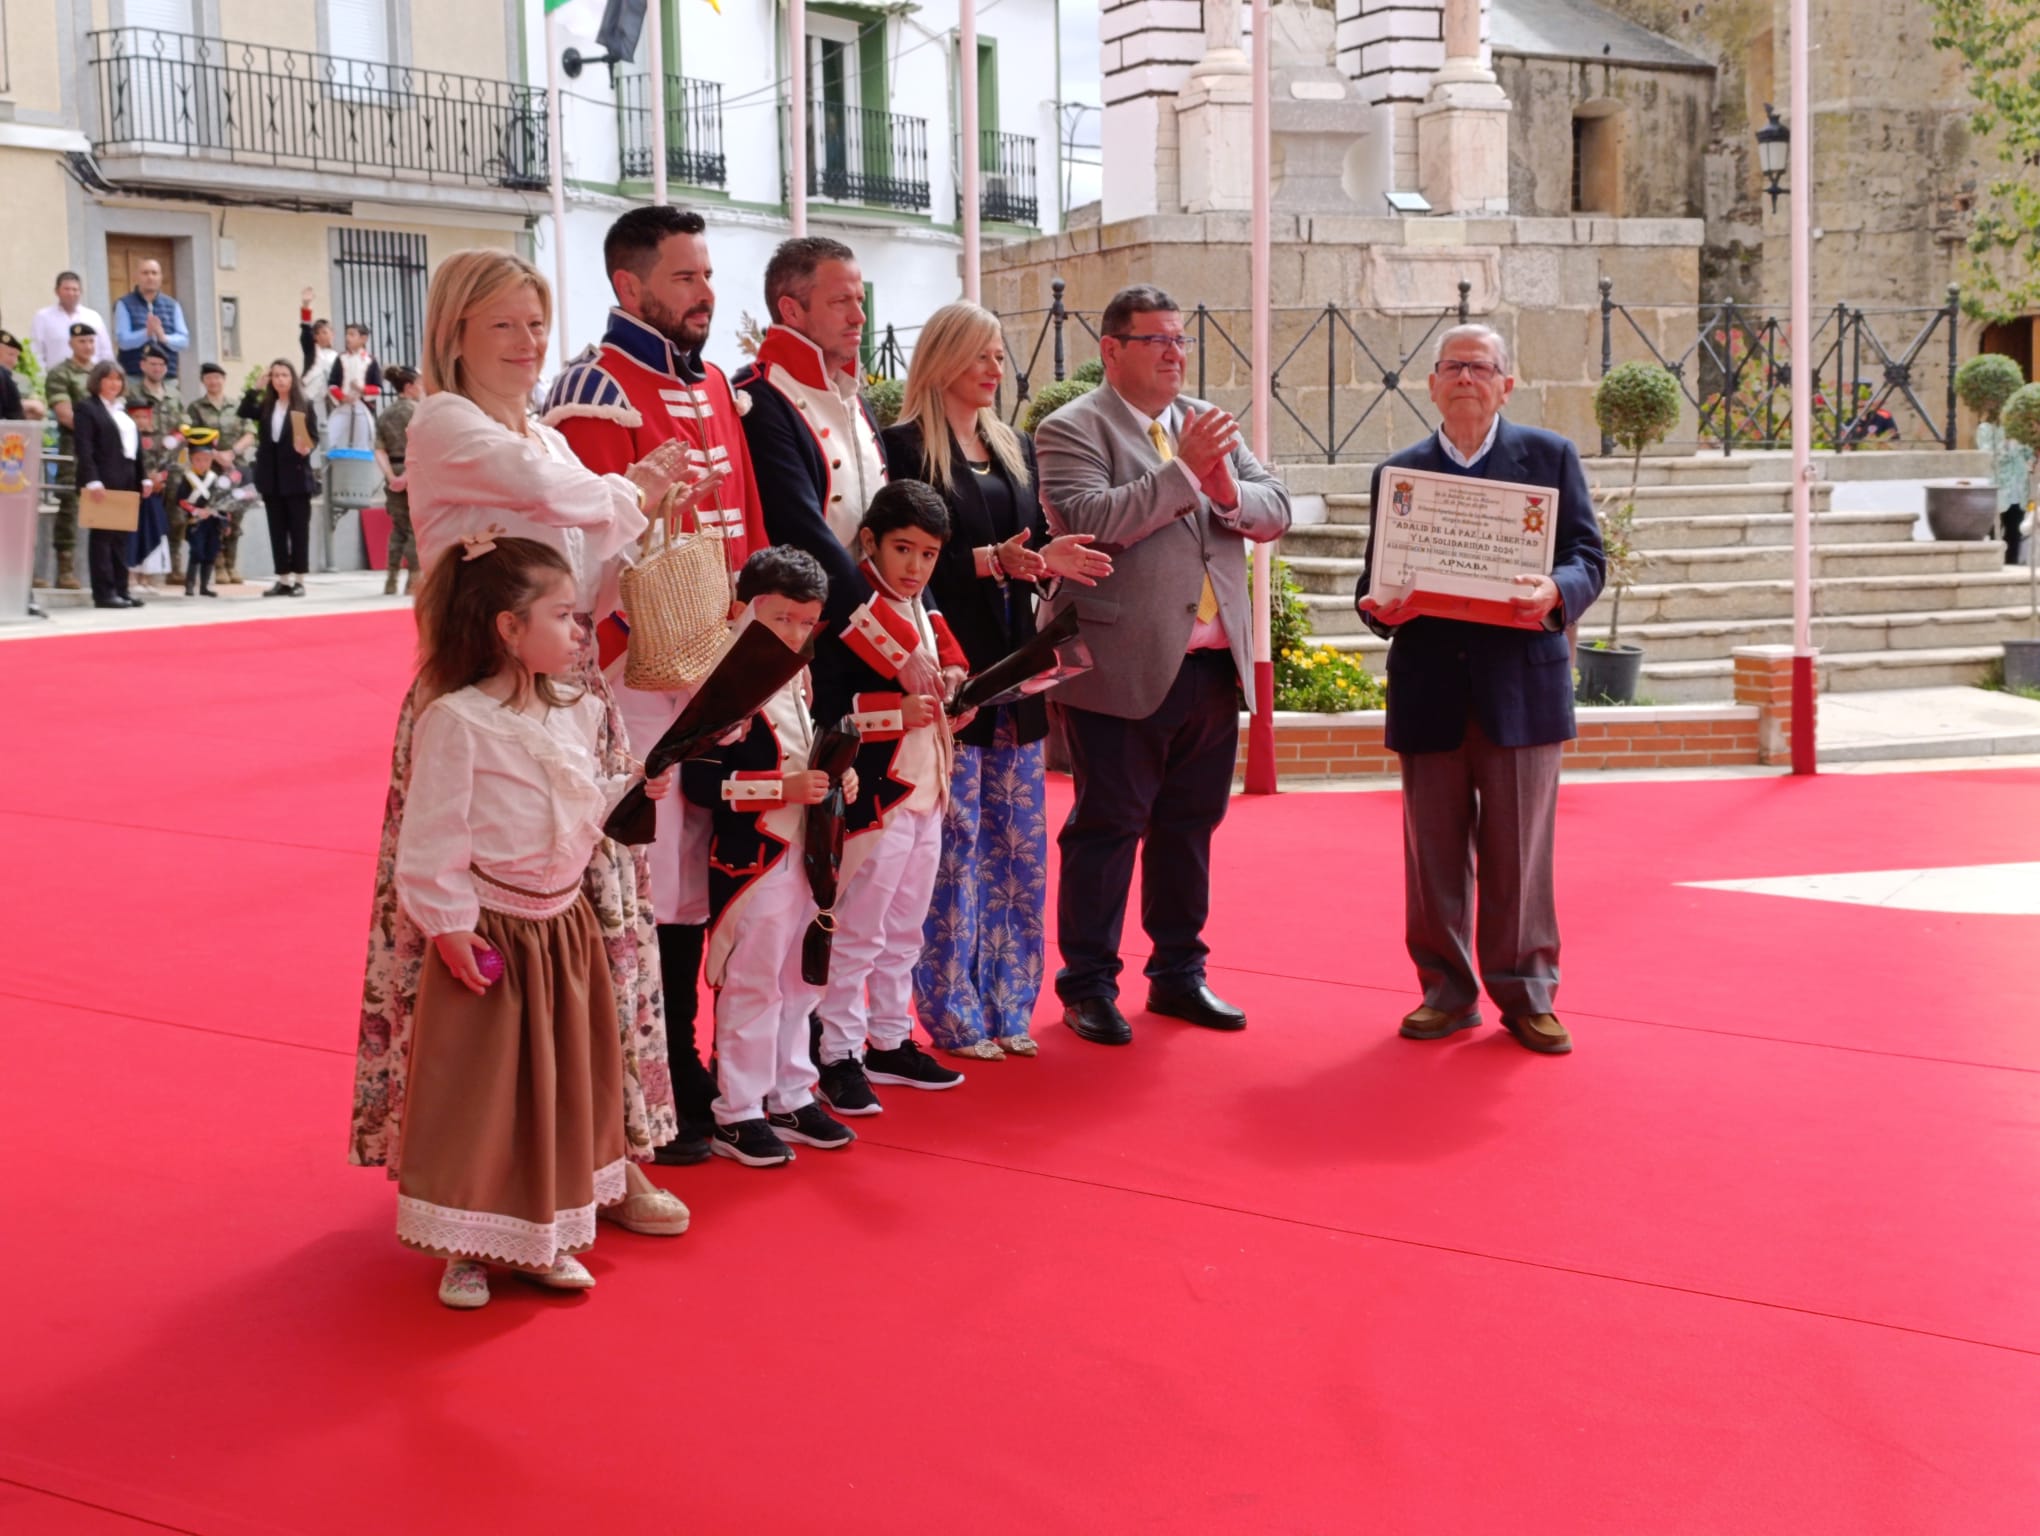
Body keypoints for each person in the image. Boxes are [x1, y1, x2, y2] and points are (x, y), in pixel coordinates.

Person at [347, 247, 708, 1242]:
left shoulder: (546, 436)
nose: (527, 342)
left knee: (606, 942)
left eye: (537, 323)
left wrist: (627, 503)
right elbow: (560, 504)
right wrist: (624, 487)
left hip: (569, 699)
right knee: (480, 940)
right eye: (505, 323)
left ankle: (614, 1154)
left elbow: (585, 559)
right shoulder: (446, 423)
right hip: (475, 705)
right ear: (456, 330)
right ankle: (477, 1173)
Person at [393, 534, 680, 1309]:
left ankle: (548, 1234)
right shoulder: (457, 721)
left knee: (561, 1089)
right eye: (563, 616)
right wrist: (452, 929)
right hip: (495, 933)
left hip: (564, 930)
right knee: (482, 1095)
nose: (581, 633)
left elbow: (577, 813)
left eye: (580, 616)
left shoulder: (579, 712)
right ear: (508, 628)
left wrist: (628, 793)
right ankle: (466, 1247)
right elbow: (429, 840)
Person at [544, 206, 772, 1163]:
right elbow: (594, 560)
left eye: (707, 276)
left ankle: (682, 1059)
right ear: (629, 287)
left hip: (713, 664)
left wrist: (755, 648)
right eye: (685, 278)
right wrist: (671, 652)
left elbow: (748, 530)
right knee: (643, 874)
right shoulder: (596, 392)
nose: (706, 294)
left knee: (687, 876)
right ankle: (653, 1068)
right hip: (636, 677)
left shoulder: (714, 381)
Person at [1034, 284, 1291, 1046]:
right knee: (1107, 827)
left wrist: (1227, 488)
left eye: (1181, 339)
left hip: (1211, 666)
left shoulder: (1202, 423)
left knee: (1190, 827)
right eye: (1158, 341)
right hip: (1121, 661)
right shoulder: (1070, 427)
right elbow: (1094, 520)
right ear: (1112, 350)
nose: (1177, 353)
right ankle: (1087, 986)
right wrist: (1189, 477)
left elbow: (1273, 509)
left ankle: (1179, 975)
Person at [1354, 324, 1606, 1057]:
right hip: (1430, 688)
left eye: (1481, 366)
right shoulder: (1399, 476)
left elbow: (1588, 555)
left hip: (1520, 688)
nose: (1466, 377)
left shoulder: (1549, 458)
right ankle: (1446, 992)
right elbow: (1373, 582)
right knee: (1432, 857)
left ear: (1507, 383)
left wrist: (1555, 590)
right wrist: (1376, 604)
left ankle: (1526, 994)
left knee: (1521, 854)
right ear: (1431, 384)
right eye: (1452, 366)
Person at [881, 301, 1112, 1060]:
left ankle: (1011, 1003)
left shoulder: (1011, 445)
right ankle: (951, 1012)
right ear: (943, 357)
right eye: (981, 354)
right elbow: (905, 562)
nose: (995, 368)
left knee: (1017, 852)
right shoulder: (906, 448)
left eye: (999, 354)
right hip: (953, 671)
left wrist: (1049, 557)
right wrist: (991, 561)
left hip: (1018, 672)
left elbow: (1024, 542)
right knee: (955, 852)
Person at [681, 546, 861, 1167]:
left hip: (807, 853)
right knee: (754, 983)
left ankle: (789, 1088)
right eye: (780, 618)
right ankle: (737, 1107)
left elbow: (803, 748)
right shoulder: (722, 676)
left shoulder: (798, 674)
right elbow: (699, 781)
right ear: (744, 609)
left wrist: (836, 777)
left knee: (801, 979)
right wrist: (779, 790)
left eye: (804, 623)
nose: (792, 633)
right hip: (753, 858)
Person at [805, 481, 977, 1115]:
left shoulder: (919, 605)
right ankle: (838, 1053)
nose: (916, 567)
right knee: (858, 930)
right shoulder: (851, 609)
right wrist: (895, 713)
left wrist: (957, 689)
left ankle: (888, 1036)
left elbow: (946, 652)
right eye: (903, 550)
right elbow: (824, 707)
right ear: (869, 541)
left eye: (928, 554)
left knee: (904, 929)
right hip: (877, 796)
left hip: (927, 789)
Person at [734, 237, 902, 638]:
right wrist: (896, 646)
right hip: (811, 632)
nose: (859, 316)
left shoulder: (853, 394)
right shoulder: (757, 396)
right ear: (791, 310)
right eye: (840, 301)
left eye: (860, 300)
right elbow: (802, 531)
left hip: (880, 614)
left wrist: (929, 634)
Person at [70, 360, 151, 610]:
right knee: (103, 537)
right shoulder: (87, 408)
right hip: (102, 480)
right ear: (98, 381)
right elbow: (85, 447)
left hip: (126, 478)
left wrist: (143, 477)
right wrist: (92, 478)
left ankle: (121, 589)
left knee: (121, 538)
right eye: (109, 379)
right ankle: (104, 593)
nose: (114, 384)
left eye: (118, 379)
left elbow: (135, 450)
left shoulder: (122, 411)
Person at [40, 322, 102, 591]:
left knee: (106, 507)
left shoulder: (102, 374)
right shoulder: (60, 373)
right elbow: (65, 414)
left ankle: (106, 570)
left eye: (90, 341)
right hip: (74, 448)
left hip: (103, 451)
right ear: (71, 344)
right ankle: (65, 570)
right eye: (82, 342)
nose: (87, 346)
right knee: (70, 506)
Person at [251, 359, 316, 597]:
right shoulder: (268, 405)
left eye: (284, 375)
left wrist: (307, 448)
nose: (279, 379)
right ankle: (283, 579)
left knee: (298, 530)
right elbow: (244, 411)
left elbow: (314, 436)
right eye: (275, 375)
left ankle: (299, 579)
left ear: (293, 379)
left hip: (297, 478)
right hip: (271, 478)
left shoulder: (304, 405)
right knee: (277, 530)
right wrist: (256, 388)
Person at [187, 362, 256, 585]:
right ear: (203, 381)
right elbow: (193, 438)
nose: (213, 382)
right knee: (215, 518)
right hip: (210, 471)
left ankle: (232, 564)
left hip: (237, 469)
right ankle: (217, 566)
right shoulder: (196, 408)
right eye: (209, 378)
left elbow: (250, 434)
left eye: (217, 377)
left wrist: (233, 453)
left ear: (223, 379)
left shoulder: (236, 405)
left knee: (235, 519)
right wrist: (216, 456)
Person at [131, 343, 190, 583]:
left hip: (172, 466)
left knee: (176, 517)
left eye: (161, 365)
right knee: (142, 516)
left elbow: (184, 425)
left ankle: (174, 566)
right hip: (143, 464)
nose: (157, 368)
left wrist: (175, 439)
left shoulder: (174, 394)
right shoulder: (132, 393)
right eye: (152, 364)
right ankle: (139, 569)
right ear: (143, 365)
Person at [375, 365, 423, 596]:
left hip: (392, 472)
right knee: (416, 529)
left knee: (398, 528)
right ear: (410, 387)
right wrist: (407, 475)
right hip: (415, 471)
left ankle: (391, 578)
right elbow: (423, 448)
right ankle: (414, 580)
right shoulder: (419, 412)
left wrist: (392, 477)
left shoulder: (385, 414)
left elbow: (379, 449)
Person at [113, 259, 190, 378]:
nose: (150, 277)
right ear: (137, 277)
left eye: (154, 273)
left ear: (160, 277)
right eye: (145, 273)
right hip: (134, 375)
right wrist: (147, 333)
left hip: (167, 376)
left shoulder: (172, 305)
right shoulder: (124, 304)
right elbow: (123, 340)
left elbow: (184, 340)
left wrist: (163, 337)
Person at [174, 430, 227, 597]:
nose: (202, 463)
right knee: (197, 551)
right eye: (198, 460)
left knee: (211, 551)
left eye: (206, 460)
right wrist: (196, 511)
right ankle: (189, 585)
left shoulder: (214, 478)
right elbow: (181, 500)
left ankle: (204, 586)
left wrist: (225, 521)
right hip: (196, 522)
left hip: (212, 521)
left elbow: (222, 500)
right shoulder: (188, 478)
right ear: (191, 459)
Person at [31, 271, 112, 372]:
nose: (71, 293)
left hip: (90, 379)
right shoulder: (43, 317)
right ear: (56, 291)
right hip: (57, 380)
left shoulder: (93, 317)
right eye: (66, 289)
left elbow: (106, 352)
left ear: (81, 292)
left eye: (75, 289)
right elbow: (36, 352)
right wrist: (41, 380)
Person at [325, 321, 383, 452]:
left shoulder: (371, 361)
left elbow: (378, 388)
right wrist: (343, 397)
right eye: (347, 334)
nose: (347, 338)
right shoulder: (341, 359)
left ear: (363, 339)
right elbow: (332, 384)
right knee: (330, 436)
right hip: (343, 406)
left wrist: (362, 390)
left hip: (363, 407)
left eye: (352, 334)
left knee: (362, 443)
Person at [298, 290, 338, 437]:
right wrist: (306, 305)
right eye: (318, 333)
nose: (322, 335)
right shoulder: (311, 350)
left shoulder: (338, 357)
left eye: (325, 332)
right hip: (309, 398)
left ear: (332, 334)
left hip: (330, 401)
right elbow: (305, 330)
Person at [0, 330, 44, 422]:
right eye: (10, 355)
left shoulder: (22, 380)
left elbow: (37, 410)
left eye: (17, 357)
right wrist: (23, 405)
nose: (14, 362)